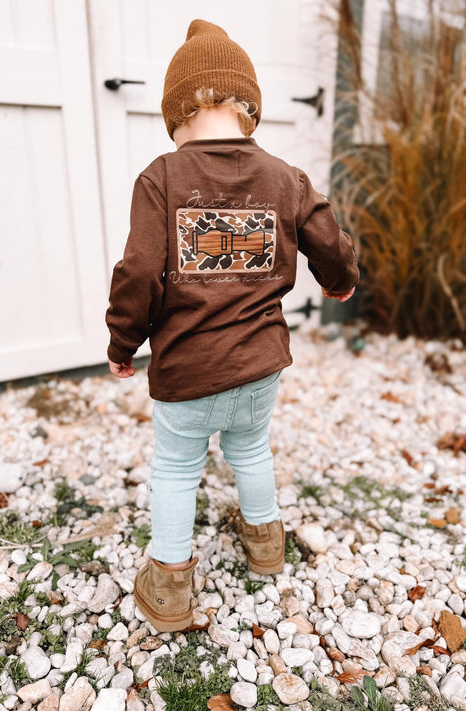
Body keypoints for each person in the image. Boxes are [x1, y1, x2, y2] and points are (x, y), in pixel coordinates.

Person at [105, 19, 358, 632]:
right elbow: (329, 240)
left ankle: (168, 584)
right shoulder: (285, 179)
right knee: (251, 448)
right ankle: (267, 545)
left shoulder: (161, 179)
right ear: (248, 109)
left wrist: (123, 341)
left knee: (174, 470)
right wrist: (338, 278)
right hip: (258, 366)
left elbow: (138, 272)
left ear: (178, 111)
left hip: (187, 372)